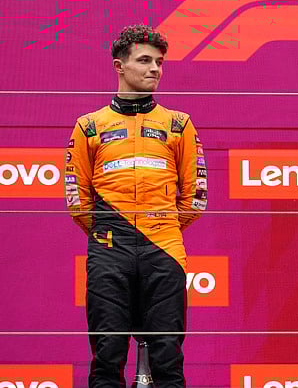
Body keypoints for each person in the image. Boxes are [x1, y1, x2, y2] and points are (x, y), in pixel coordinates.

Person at [65, 25, 206, 388]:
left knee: (167, 359)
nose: (155, 69)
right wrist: (115, 230)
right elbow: (77, 199)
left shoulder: (179, 124)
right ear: (119, 65)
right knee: (107, 357)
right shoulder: (89, 126)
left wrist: (160, 226)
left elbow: (195, 198)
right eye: (145, 60)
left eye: (159, 62)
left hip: (165, 249)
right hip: (109, 249)